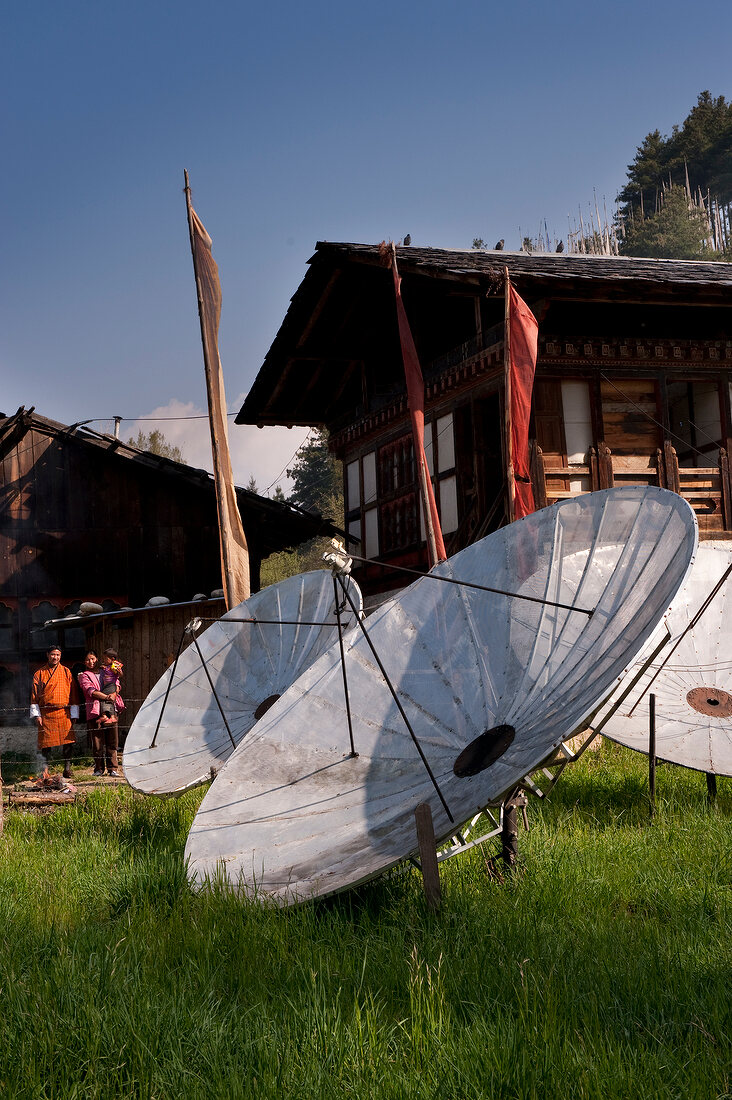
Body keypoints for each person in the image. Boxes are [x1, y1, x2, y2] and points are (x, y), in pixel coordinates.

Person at [30, 645, 81, 778]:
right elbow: (34, 696)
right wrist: (37, 715)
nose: (55, 657)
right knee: (46, 744)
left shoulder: (66, 672)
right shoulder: (39, 673)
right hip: (46, 714)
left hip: (64, 712)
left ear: (60, 656)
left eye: (58, 655)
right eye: (53, 654)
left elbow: (73, 692)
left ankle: (67, 768)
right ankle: (45, 769)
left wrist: (74, 712)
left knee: (68, 741)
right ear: (47, 655)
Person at [78, 647, 124, 777]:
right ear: (84, 662)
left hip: (110, 708)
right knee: (97, 742)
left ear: (97, 659)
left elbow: (117, 683)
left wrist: (115, 693)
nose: (90, 662)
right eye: (87, 660)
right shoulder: (84, 675)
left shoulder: (106, 670)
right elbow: (90, 691)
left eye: (92, 659)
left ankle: (113, 768)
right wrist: (107, 696)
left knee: (112, 740)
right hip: (95, 710)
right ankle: (98, 769)